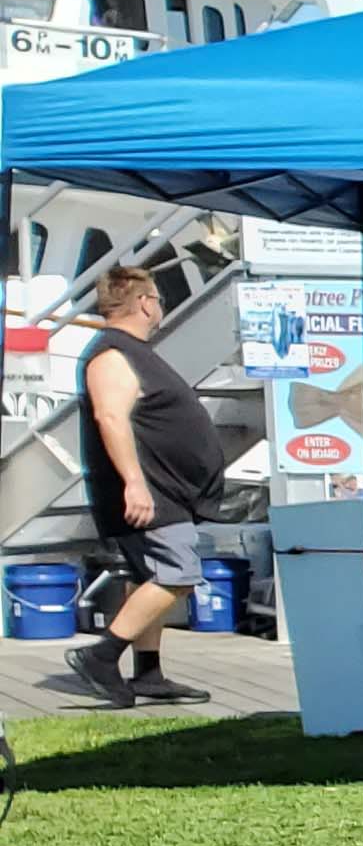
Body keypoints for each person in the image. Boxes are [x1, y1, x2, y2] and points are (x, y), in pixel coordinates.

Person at [56, 260, 224, 709]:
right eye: (159, 300)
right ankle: (101, 657)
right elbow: (110, 417)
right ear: (146, 303)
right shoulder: (112, 354)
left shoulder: (133, 351)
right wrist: (134, 483)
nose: (160, 308)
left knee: (148, 576)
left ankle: (148, 674)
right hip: (148, 492)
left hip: (164, 490)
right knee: (178, 574)